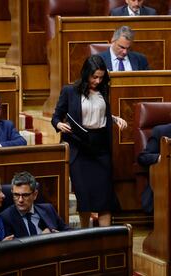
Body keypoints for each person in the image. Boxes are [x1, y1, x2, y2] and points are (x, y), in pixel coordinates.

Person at [51, 55, 127, 227]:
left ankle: (105, 239)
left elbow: (99, 112)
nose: (98, 81)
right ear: (86, 74)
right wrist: (59, 124)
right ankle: (85, 234)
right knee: (84, 198)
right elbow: (56, 116)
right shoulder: (70, 91)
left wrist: (114, 119)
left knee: (105, 198)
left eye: (101, 77)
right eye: (94, 77)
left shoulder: (104, 89)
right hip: (79, 146)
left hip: (100, 148)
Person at [0, 171, 71, 237]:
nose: (20, 200)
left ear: (35, 194)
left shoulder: (48, 209)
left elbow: (69, 232)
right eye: (16, 195)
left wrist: (58, 236)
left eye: (25, 195)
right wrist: (42, 238)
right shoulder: (6, 218)